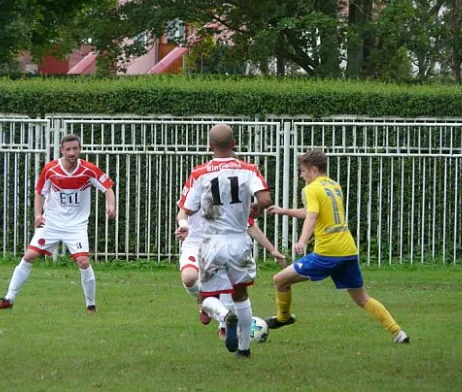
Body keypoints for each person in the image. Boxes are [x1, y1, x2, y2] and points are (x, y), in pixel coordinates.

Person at [265, 150, 409, 344]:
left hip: (327, 253)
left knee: (280, 280)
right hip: (348, 250)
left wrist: (302, 240)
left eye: (303, 171)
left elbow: (312, 216)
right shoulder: (334, 186)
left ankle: (283, 317)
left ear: (313, 169)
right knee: (362, 298)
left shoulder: (310, 189)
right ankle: (398, 333)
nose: (301, 175)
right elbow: (312, 212)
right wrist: (285, 211)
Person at [0, 134, 115, 313]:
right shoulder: (51, 169)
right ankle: (8, 299)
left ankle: (91, 306)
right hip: (52, 223)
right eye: (68, 149)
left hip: (76, 226)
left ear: (80, 149)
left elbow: (108, 187)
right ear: (62, 150)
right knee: (29, 256)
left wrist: (111, 205)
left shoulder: (89, 169)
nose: (72, 152)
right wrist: (38, 215)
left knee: (83, 261)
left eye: (75, 148)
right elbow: (39, 192)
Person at [181, 123, 272, 359]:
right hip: (239, 239)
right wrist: (254, 211)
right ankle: (243, 349)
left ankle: (223, 316)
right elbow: (265, 198)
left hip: (211, 241)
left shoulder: (200, 173)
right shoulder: (249, 169)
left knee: (207, 295)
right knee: (240, 293)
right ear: (234, 144)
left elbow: (188, 209)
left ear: (210, 146)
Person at [174, 207, 285, 339]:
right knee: (189, 277)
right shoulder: (194, 186)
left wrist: (272, 250)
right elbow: (183, 212)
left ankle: (224, 327)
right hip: (195, 245)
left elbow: (250, 226)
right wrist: (184, 225)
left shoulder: (234, 195)